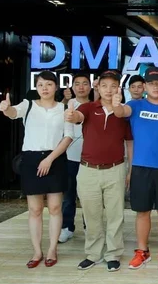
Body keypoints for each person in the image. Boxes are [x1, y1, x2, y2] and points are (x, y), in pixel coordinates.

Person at [113, 66, 158, 271]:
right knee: (142, 212)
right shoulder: (135, 105)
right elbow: (121, 112)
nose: (155, 87)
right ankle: (142, 251)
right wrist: (116, 103)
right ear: (145, 86)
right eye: (151, 83)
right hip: (141, 168)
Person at [0, 70, 73, 268]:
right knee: (35, 209)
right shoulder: (28, 105)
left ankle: (52, 249)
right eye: (40, 85)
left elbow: (68, 137)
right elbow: (13, 113)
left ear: (56, 87)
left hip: (55, 158)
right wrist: (6, 108)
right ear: (36, 87)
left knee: (55, 207)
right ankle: (37, 251)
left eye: (49, 84)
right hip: (31, 159)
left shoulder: (64, 108)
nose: (44, 88)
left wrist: (49, 159)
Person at [65, 70, 133, 272]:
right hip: (88, 170)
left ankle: (113, 254)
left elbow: (129, 142)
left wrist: (130, 169)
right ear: (98, 88)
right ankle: (93, 254)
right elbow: (77, 116)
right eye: (104, 86)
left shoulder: (123, 113)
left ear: (119, 89)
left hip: (116, 169)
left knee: (115, 215)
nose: (108, 90)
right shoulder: (88, 107)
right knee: (91, 214)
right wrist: (71, 115)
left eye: (113, 86)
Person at [59, 73, 91, 244]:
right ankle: (67, 228)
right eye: (77, 84)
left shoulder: (95, 105)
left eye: (85, 83)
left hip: (90, 159)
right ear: (72, 87)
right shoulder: (67, 105)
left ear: (90, 87)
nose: (81, 87)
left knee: (89, 197)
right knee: (68, 196)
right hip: (70, 157)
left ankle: (89, 228)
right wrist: (65, 101)